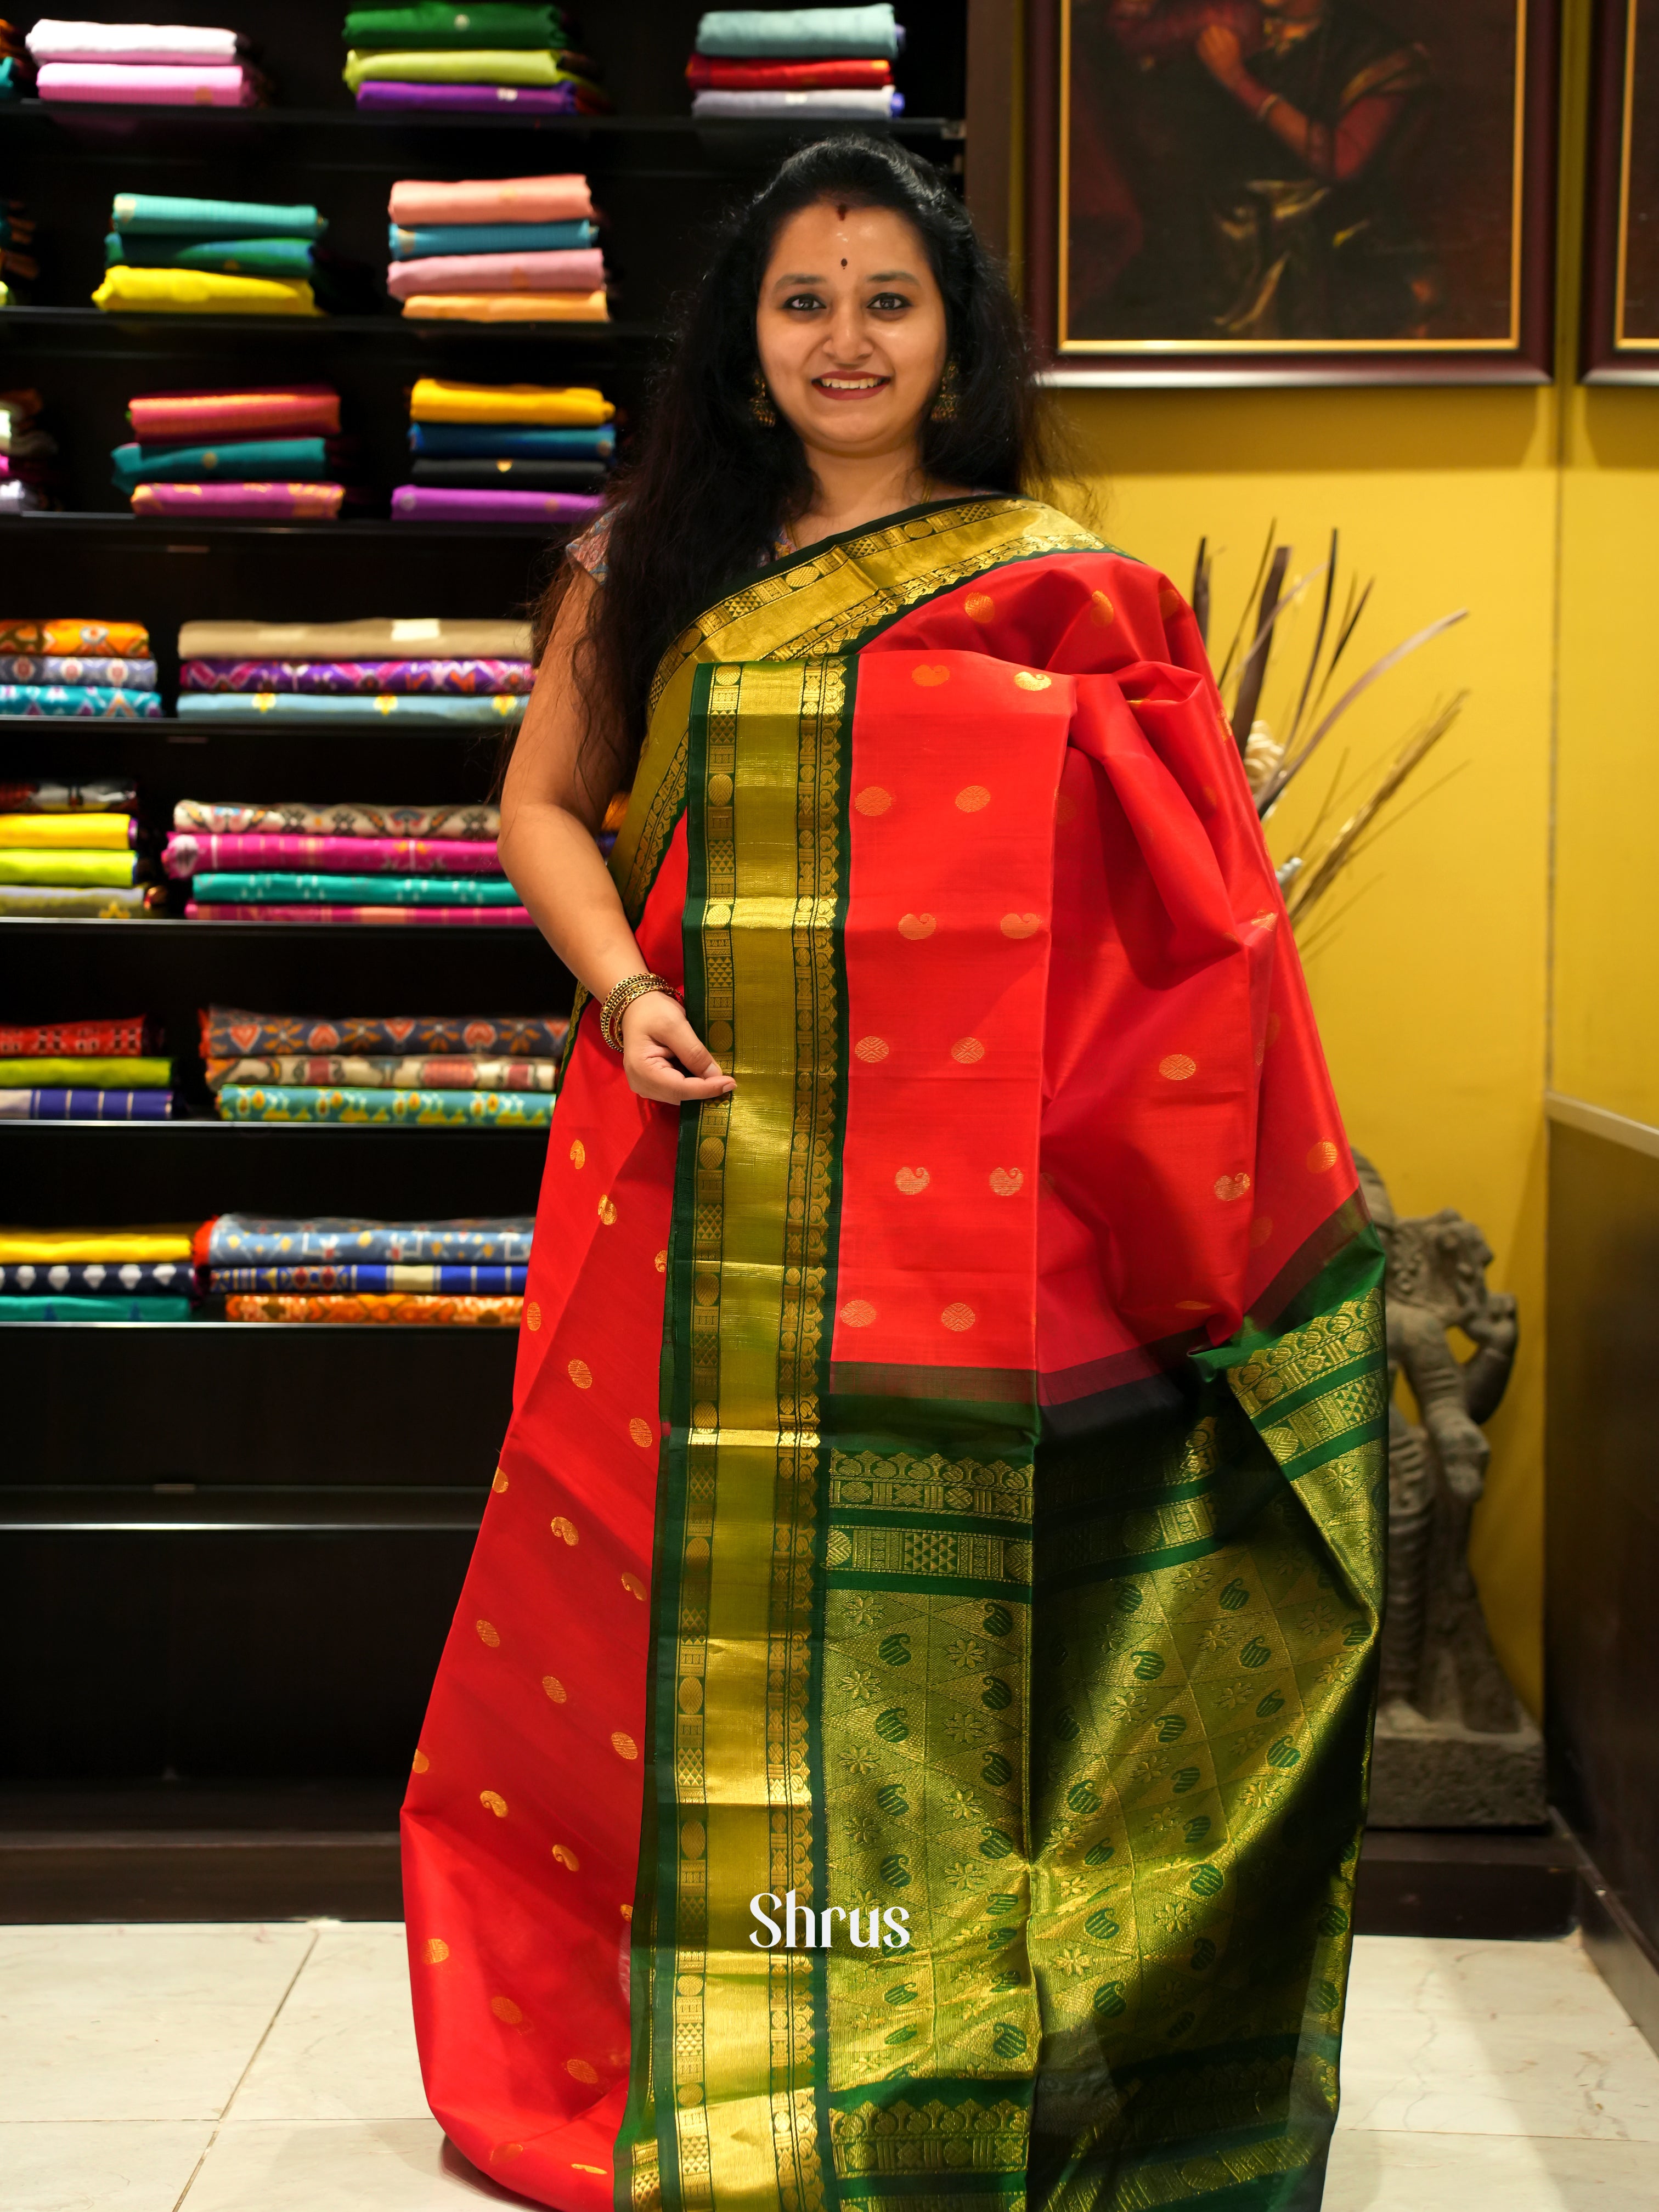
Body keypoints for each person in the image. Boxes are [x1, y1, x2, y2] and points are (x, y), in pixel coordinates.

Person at [402, 133, 1385, 2212]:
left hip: (995, 1197)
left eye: (886, 300)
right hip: (700, 1148)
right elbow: (544, 806)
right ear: (742, 341)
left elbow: (1179, 892)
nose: (842, 339)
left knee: (975, 1597)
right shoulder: (641, 564)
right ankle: (696, 2032)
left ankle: (943, 2032)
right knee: (655, 1589)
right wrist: (615, 988)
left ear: (954, 336)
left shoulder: (1066, 584)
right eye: (801, 301)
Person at [1070, 0, 1433, 342]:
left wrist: (1237, 81)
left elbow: (1341, 160)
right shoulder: (1231, 22)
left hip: (1318, 238)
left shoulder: (1376, 52)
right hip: (1216, 230)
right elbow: (1131, 43)